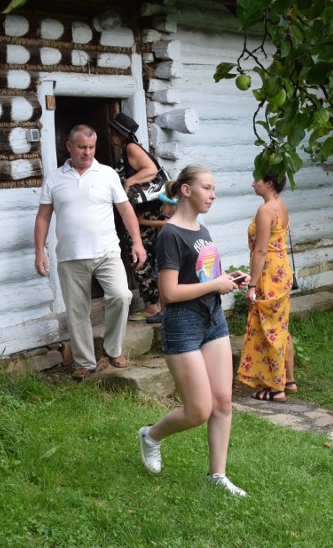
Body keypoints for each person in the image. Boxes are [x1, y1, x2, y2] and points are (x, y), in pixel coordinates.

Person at [137, 164, 250, 496]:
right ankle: (151, 435)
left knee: (223, 402)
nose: (213, 195)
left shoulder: (201, 229)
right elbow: (169, 293)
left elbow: (203, 278)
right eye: (207, 188)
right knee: (199, 410)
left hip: (212, 319)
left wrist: (228, 280)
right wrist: (215, 283)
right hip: (183, 325)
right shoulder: (170, 234)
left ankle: (217, 475)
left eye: (214, 189)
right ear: (186, 190)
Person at [34, 124, 147, 381]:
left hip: (107, 251)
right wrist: (39, 251)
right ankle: (85, 362)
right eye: (82, 147)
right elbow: (43, 218)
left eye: (92, 147)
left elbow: (126, 210)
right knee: (77, 311)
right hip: (70, 255)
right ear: (69, 146)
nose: (87, 153)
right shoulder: (54, 178)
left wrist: (137, 243)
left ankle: (113, 350)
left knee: (121, 296)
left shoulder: (107, 174)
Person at [236, 171, 296, 402]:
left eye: (257, 180)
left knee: (270, 330)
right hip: (281, 268)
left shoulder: (265, 210)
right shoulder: (280, 205)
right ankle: (288, 380)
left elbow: (261, 250)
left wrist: (252, 284)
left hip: (269, 274)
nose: (253, 183)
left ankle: (276, 387)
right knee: (280, 327)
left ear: (269, 183)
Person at [109, 113, 165, 324]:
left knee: (139, 257)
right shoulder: (130, 149)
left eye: (113, 131)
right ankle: (157, 304)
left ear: (120, 134)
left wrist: (128, 183)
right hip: (148, 210)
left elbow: (151, 170)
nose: (111, 134)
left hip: (147, 212)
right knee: (148, 257)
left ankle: (152, 306)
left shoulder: (132, 148)